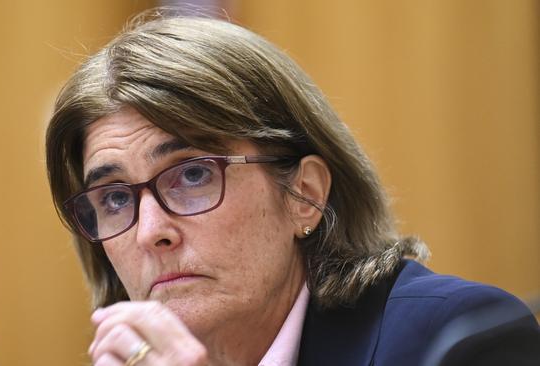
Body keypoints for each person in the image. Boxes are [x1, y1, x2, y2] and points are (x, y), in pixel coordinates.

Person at [45, 11, 539, 366]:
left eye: (192, 174)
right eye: (115, 198)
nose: (150, 232)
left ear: (304, 194)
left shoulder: (456, 342)